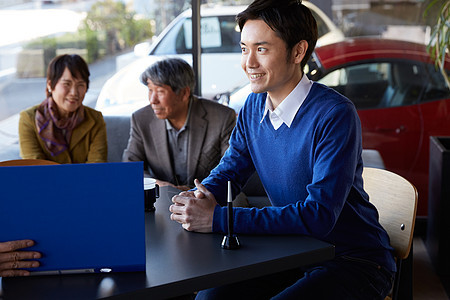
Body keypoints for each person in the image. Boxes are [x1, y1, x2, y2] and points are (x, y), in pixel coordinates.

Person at [169, 0, 396, 299]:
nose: (248, 62)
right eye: (243, 48)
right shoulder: (252, 106)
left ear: (298, 51)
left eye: (261, 49)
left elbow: (319, 215)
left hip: (352, 259)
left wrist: (219, 219)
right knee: (209, 296)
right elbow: (231, 169)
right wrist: (201, 197)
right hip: (292, 250)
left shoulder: (335, 114)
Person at [122, 58, 236, 191]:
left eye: (160, 92)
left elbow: (230, 170)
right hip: (162, 199)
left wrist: (194, 193)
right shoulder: (141, 119)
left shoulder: (222, 118)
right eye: (150, 90)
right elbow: (130, 167)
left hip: (210, 196)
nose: (153, 100)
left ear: (184, 93)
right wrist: (161, 186)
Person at [19, 54, 107, 163]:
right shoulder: (28, 119)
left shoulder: (95, 119)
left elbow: (97, 167)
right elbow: (35, 169)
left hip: (86, 180)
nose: (74, 93)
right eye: (67, 84)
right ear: (50, 85)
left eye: (80, 85)